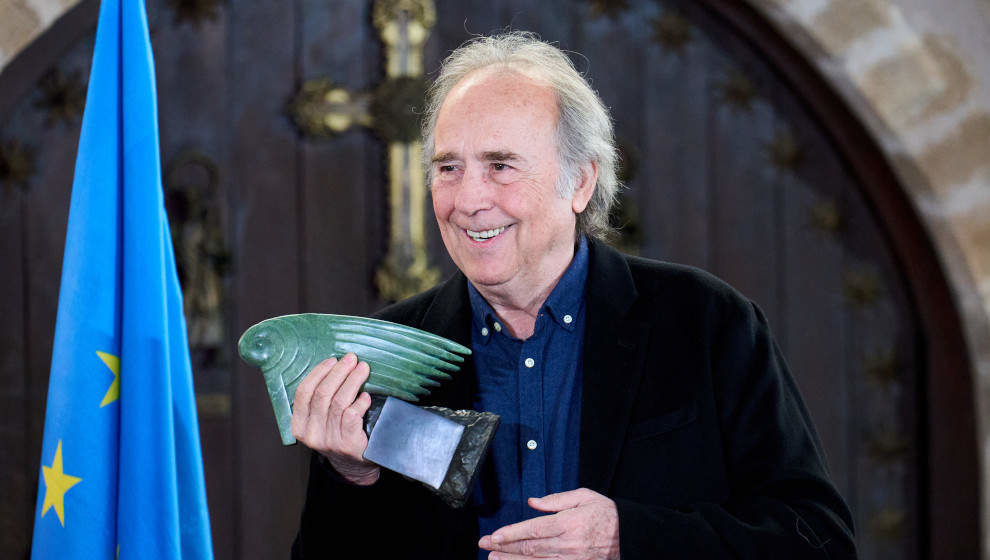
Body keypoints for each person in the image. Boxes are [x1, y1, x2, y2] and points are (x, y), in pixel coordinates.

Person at [289, 32, 856, 559]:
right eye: (449, 168)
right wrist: (351, 477)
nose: (468, 199)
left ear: (580, 181)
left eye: (500, 165)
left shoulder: (707, 323)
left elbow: (818, 538)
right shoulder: (390, 353)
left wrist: (626, 538)